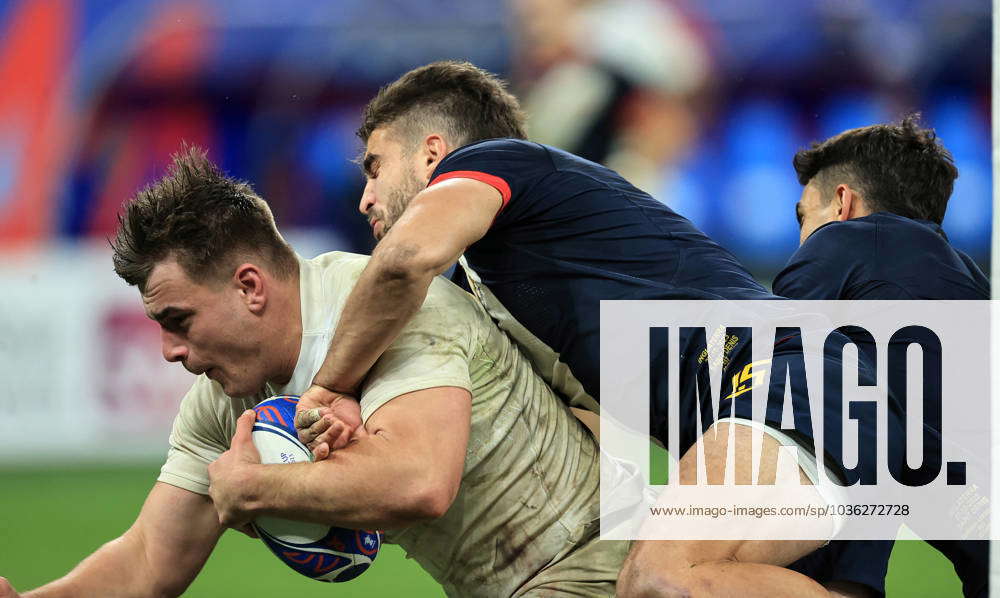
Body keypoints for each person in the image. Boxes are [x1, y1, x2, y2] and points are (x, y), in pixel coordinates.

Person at [294, 60, 881, 598]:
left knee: (658, 581)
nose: (365, 198)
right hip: (800, 411)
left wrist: (327, 389)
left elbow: (401, 264)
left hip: (788, 380)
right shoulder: (513, 273)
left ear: (433, 153)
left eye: (376, 167)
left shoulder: (496, 161)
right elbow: (582, 432)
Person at [0, 147, 634, 598]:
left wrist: (255, 490)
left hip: (600, 562)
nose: (169, 350)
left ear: (250, 287)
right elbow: (148, 561)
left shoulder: (389, 309)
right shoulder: (225, 403)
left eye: (179, 320)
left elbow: (418, 482)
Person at [773, 115, 989, 598]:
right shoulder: (973, 282)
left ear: (843, 202)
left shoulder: (842, 240)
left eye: (804, 216)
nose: (803, 238)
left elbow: (774, 363)